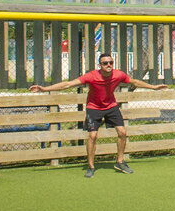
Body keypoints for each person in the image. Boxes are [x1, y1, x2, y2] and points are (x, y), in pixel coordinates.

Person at [28, 54, 166, 176]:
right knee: (93, 135)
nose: (108, 65)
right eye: (105, 63)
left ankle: (120, 161)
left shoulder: (118, 75)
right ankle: (91, 165)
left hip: (111, 106)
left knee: (122, 132)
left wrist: (153, 87)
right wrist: (44, 88)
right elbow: (68, 84)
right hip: (93, 107)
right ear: (100, 65)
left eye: (111, 62)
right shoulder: (91, 76)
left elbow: (134, 82)